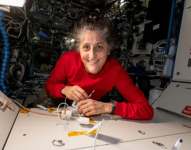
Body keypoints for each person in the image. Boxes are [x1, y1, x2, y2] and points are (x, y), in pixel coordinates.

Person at [44, 16, 154, 120]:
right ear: (79, 50)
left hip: (82, 109)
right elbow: (49, 86)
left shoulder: (115, 71)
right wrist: (64, 90)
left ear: (108, 50)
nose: (92, 56)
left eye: (99, 47)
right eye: (86, 47)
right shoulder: (67, 60)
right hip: (55, 100)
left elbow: (146, 110)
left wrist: (108, 107)